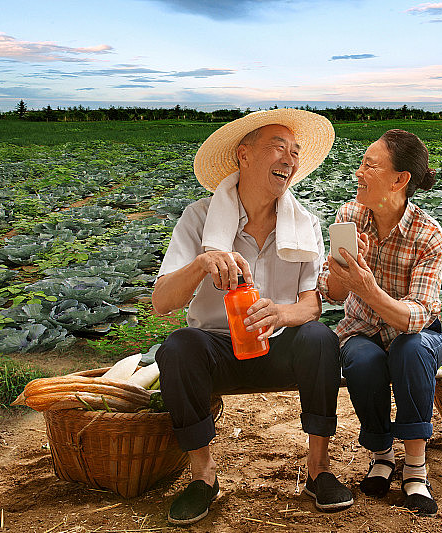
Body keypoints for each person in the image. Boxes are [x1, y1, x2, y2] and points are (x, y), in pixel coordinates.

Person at [152, 108, 353, 526]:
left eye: (295, 152)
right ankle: (203, 477)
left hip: (278, 347)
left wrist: (280, 313)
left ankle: (319, 471)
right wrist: (202, 263)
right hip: (217, 352)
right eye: (279, 147)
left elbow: (312, 303)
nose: (290, 158)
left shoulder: (304, 224)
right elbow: (161, 303)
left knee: (319, 337)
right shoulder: (198, 217)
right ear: (244, 155)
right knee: (178, 347)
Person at [317, 129, 442, 516]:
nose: (358, 172)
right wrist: (343, 272)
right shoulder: (349, 216)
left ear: (399, 179)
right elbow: (334, 294)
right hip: (362, 329)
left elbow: (418, 315)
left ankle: (416, 469)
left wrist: (370, 288)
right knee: (362, 359)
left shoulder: (429, 236)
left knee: (409, 351)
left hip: (419, 335)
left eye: (368, 165)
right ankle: (382, 455)